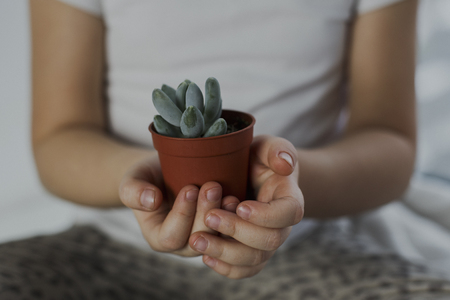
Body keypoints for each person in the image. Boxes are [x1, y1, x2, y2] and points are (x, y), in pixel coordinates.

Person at [1, 0, 450, 299]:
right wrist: (146, 182)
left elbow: (390, 141)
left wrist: (283, 183)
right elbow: (59, 138)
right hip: (105, 251)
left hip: (306, 247)